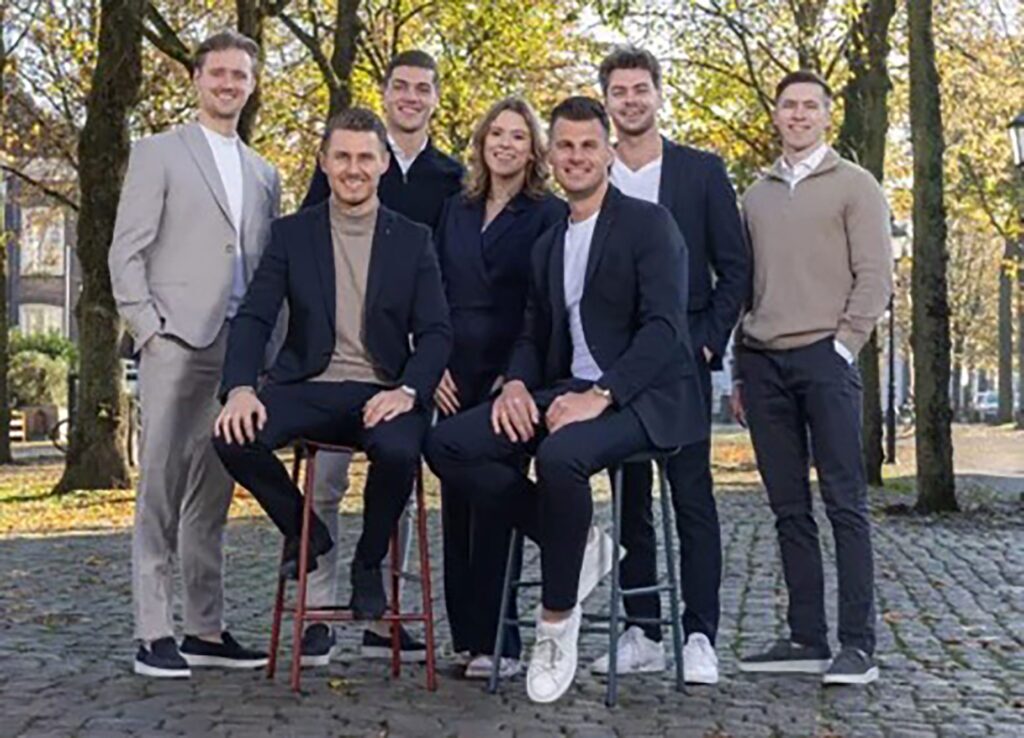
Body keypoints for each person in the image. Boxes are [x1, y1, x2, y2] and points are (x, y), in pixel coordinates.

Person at [426, 97, 707, 704]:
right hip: (566, 390)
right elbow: (533, 333)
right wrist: (517, 384)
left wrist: (603, 393)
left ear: (608, 154)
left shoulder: (649, 225)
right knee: (448, 444)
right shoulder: (550, 240)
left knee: (559, 456)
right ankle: (575, 544)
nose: (576, 156)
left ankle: (556, 627)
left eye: (588, 145)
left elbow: (665, 329)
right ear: (550, 156)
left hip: (644, 398)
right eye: (566, 146)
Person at [212, 108, 451, 627]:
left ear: (383, 163)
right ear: (323, 162)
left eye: (365, 157)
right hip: (308, 385)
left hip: (383, 388)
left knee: (399, 449)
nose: (353, 168)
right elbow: (254, 316)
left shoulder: (413, 239)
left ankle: (368, 563)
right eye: (342, 157)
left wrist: (409, 390)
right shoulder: (292, 234)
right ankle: (306, 533)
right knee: (231, 436)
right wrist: (240, 388)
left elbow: (437, 332)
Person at [109, 30, 280, 678]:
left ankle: (205, 629)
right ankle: (152, 630)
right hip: (176, 341)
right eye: (219, 73)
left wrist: (266, 354)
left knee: (213, 493)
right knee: (160, 485)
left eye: (241, 75)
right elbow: (126, 250)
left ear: (252, 85)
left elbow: (266, 268)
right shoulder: (158, 153)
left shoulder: (265, 173)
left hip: (239, 355)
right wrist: (149, 330)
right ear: (197, 79)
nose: (229, 84)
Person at [298, 49, 463, 666]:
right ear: (386, 92)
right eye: (401, 86)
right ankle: (318, 610)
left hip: (412, 360)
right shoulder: (351, 158)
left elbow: (452, 275)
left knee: (400, 477)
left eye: (423, 87)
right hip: (338, 357)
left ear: (435, 98)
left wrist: (431, 364)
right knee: (326, 482)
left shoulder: (451, 178)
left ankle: (387, 614)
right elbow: (308, 254)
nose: (411, 97)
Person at [592, 46, 750, 685]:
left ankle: (700, 634)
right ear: (606, 100)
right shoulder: (595, 172)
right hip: (615, 365)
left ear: (658, 94)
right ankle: (643, 632)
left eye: (640, 89)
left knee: (692, 500)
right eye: (619, 91)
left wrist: (706, 343)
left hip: (682, 360)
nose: (630, 101)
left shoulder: (700, 172)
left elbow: (734, 268)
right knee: (628, 502)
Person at [733, 70, 892, 686]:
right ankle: (806, 636)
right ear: (776, 116)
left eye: (809, 106)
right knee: (788, 509)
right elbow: (745, 285)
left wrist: (845, 346)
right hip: (763, 363)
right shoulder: (756, 196)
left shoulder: (856, 185)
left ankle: (858, 645)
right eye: (788, 106)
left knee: (845, 505)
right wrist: (740, 367)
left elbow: (875, 275)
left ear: (827, 116)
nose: (798, 115)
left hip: (826, 360)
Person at [431, 97, 566, 680]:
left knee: (492, 506)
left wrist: (515, 375)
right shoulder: (456, 209)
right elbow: (432, 290)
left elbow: (543, 306)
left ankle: (501, 644)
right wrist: (430, 364)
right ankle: (468, 638)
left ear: (533, 150)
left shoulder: (548, 214)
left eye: (518, 136)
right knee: (455, 506)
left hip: (513, 375)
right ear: (482, 142)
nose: (505, 144)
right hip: (451, 372)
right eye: (496, 134)